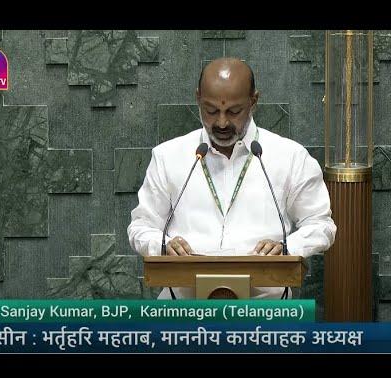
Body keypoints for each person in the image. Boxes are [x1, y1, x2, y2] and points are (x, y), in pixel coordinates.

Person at [127, 57, 336, 299]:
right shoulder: (168, 156)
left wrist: (287, 249)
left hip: (266, 313)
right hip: (183, 311)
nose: (222, 122)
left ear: (253, 101)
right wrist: (162, 245)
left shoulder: (290, 157)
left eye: (234, 111)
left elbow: (321, 225)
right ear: (198, 99)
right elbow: (141, 227)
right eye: (211, 110)